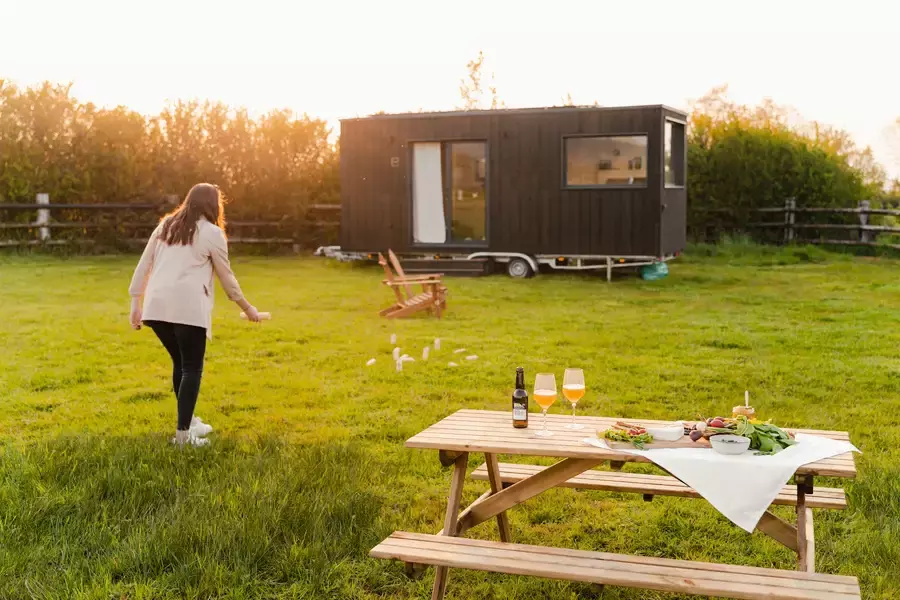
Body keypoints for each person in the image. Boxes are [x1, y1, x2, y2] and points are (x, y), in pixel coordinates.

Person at [128, 183, 261, 447]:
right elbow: (227, 277)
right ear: (214, 205)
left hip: (156, 308)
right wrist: (248, 308)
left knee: (181, 364)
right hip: (186, 307)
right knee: (191, 367)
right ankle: (182, 436)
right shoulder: (212, 232)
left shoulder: (166, 225)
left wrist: (136, 302)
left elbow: (144, 264)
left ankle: (189, 423)